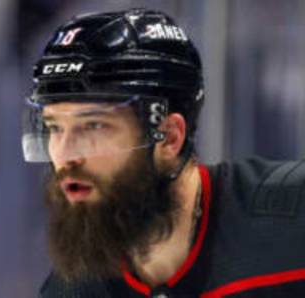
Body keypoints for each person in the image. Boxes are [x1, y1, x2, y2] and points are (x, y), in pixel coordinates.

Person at [21, 8, 305, 298]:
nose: (65, 155)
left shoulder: (292, 218)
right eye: (54, 128)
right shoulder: (73, 290)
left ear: (169, 137)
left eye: (94, 125)